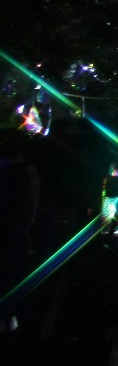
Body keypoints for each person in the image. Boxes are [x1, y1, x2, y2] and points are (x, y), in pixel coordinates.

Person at [0, 128, 41, 336]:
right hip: (21, 229)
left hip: (10, 229)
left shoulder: (7, 172)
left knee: (8, 273)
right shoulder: (28, 172)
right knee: (17, 272)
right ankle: (23, 322)